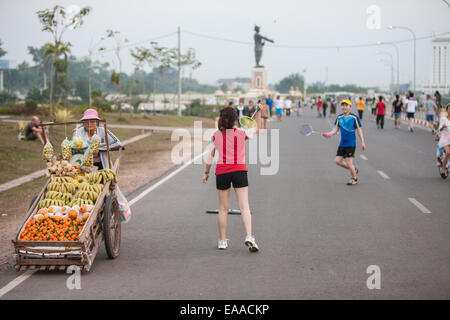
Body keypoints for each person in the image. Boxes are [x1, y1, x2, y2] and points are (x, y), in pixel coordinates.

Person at [202, 106, 259, 252]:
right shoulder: (241, 133)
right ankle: (249, 236)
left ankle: (222, 241)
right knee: (244, 206)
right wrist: (254, 118)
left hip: (222, 172)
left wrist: (206, 172)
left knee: (222, 208)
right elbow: (255, 129)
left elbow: (210, 156)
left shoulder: (215, 135)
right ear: (235, 119)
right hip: (239, 170)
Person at [323, 99, 366, 185]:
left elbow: (359, 130)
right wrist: (329, 134)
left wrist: (362, 141)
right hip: (342, 143)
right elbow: (335, 129)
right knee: (337, 161)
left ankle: (354, 178)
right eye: (343, 105)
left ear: (350, 107)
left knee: (349, 162)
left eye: (346, 105)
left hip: (351, 144)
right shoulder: (339, 117)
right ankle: (354, 170)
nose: (344, 107)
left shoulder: (354, 117)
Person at [437, 104, 450, 178]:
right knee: (448, 152)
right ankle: (443, 168)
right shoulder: (443, 119)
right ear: (447, 110)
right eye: (449, 109)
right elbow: (439, 129)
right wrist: (443, 127)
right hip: (445, 138)